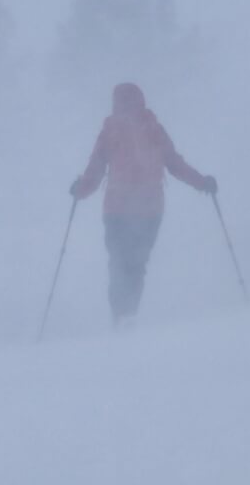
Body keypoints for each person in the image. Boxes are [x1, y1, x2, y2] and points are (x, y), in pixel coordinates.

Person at [70, 81, 215, 325]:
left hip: (118, 208)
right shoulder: (152, 128)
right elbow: (175, 164)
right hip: (148, 208)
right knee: (135, 262)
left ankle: (121, 316)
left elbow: (95, 170)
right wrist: (202, 183)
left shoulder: (113, 131)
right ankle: (127, 314)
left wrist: (80, 190)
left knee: (120, 262)